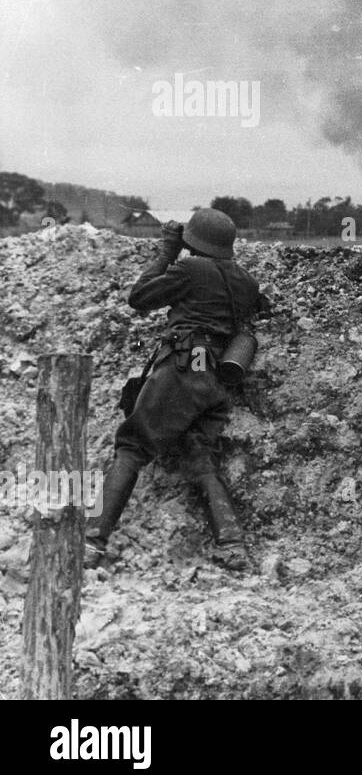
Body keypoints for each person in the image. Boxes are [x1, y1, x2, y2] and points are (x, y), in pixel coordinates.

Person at [85, 209, 265, 571]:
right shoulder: (246, 280)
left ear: (193, 242)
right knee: (200, 456)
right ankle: (232, 546)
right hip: (216, 374)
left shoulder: (191, 269)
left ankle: (91, 541)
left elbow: (140, 297)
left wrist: (168, 251)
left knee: (133, 446)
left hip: (184, 366)